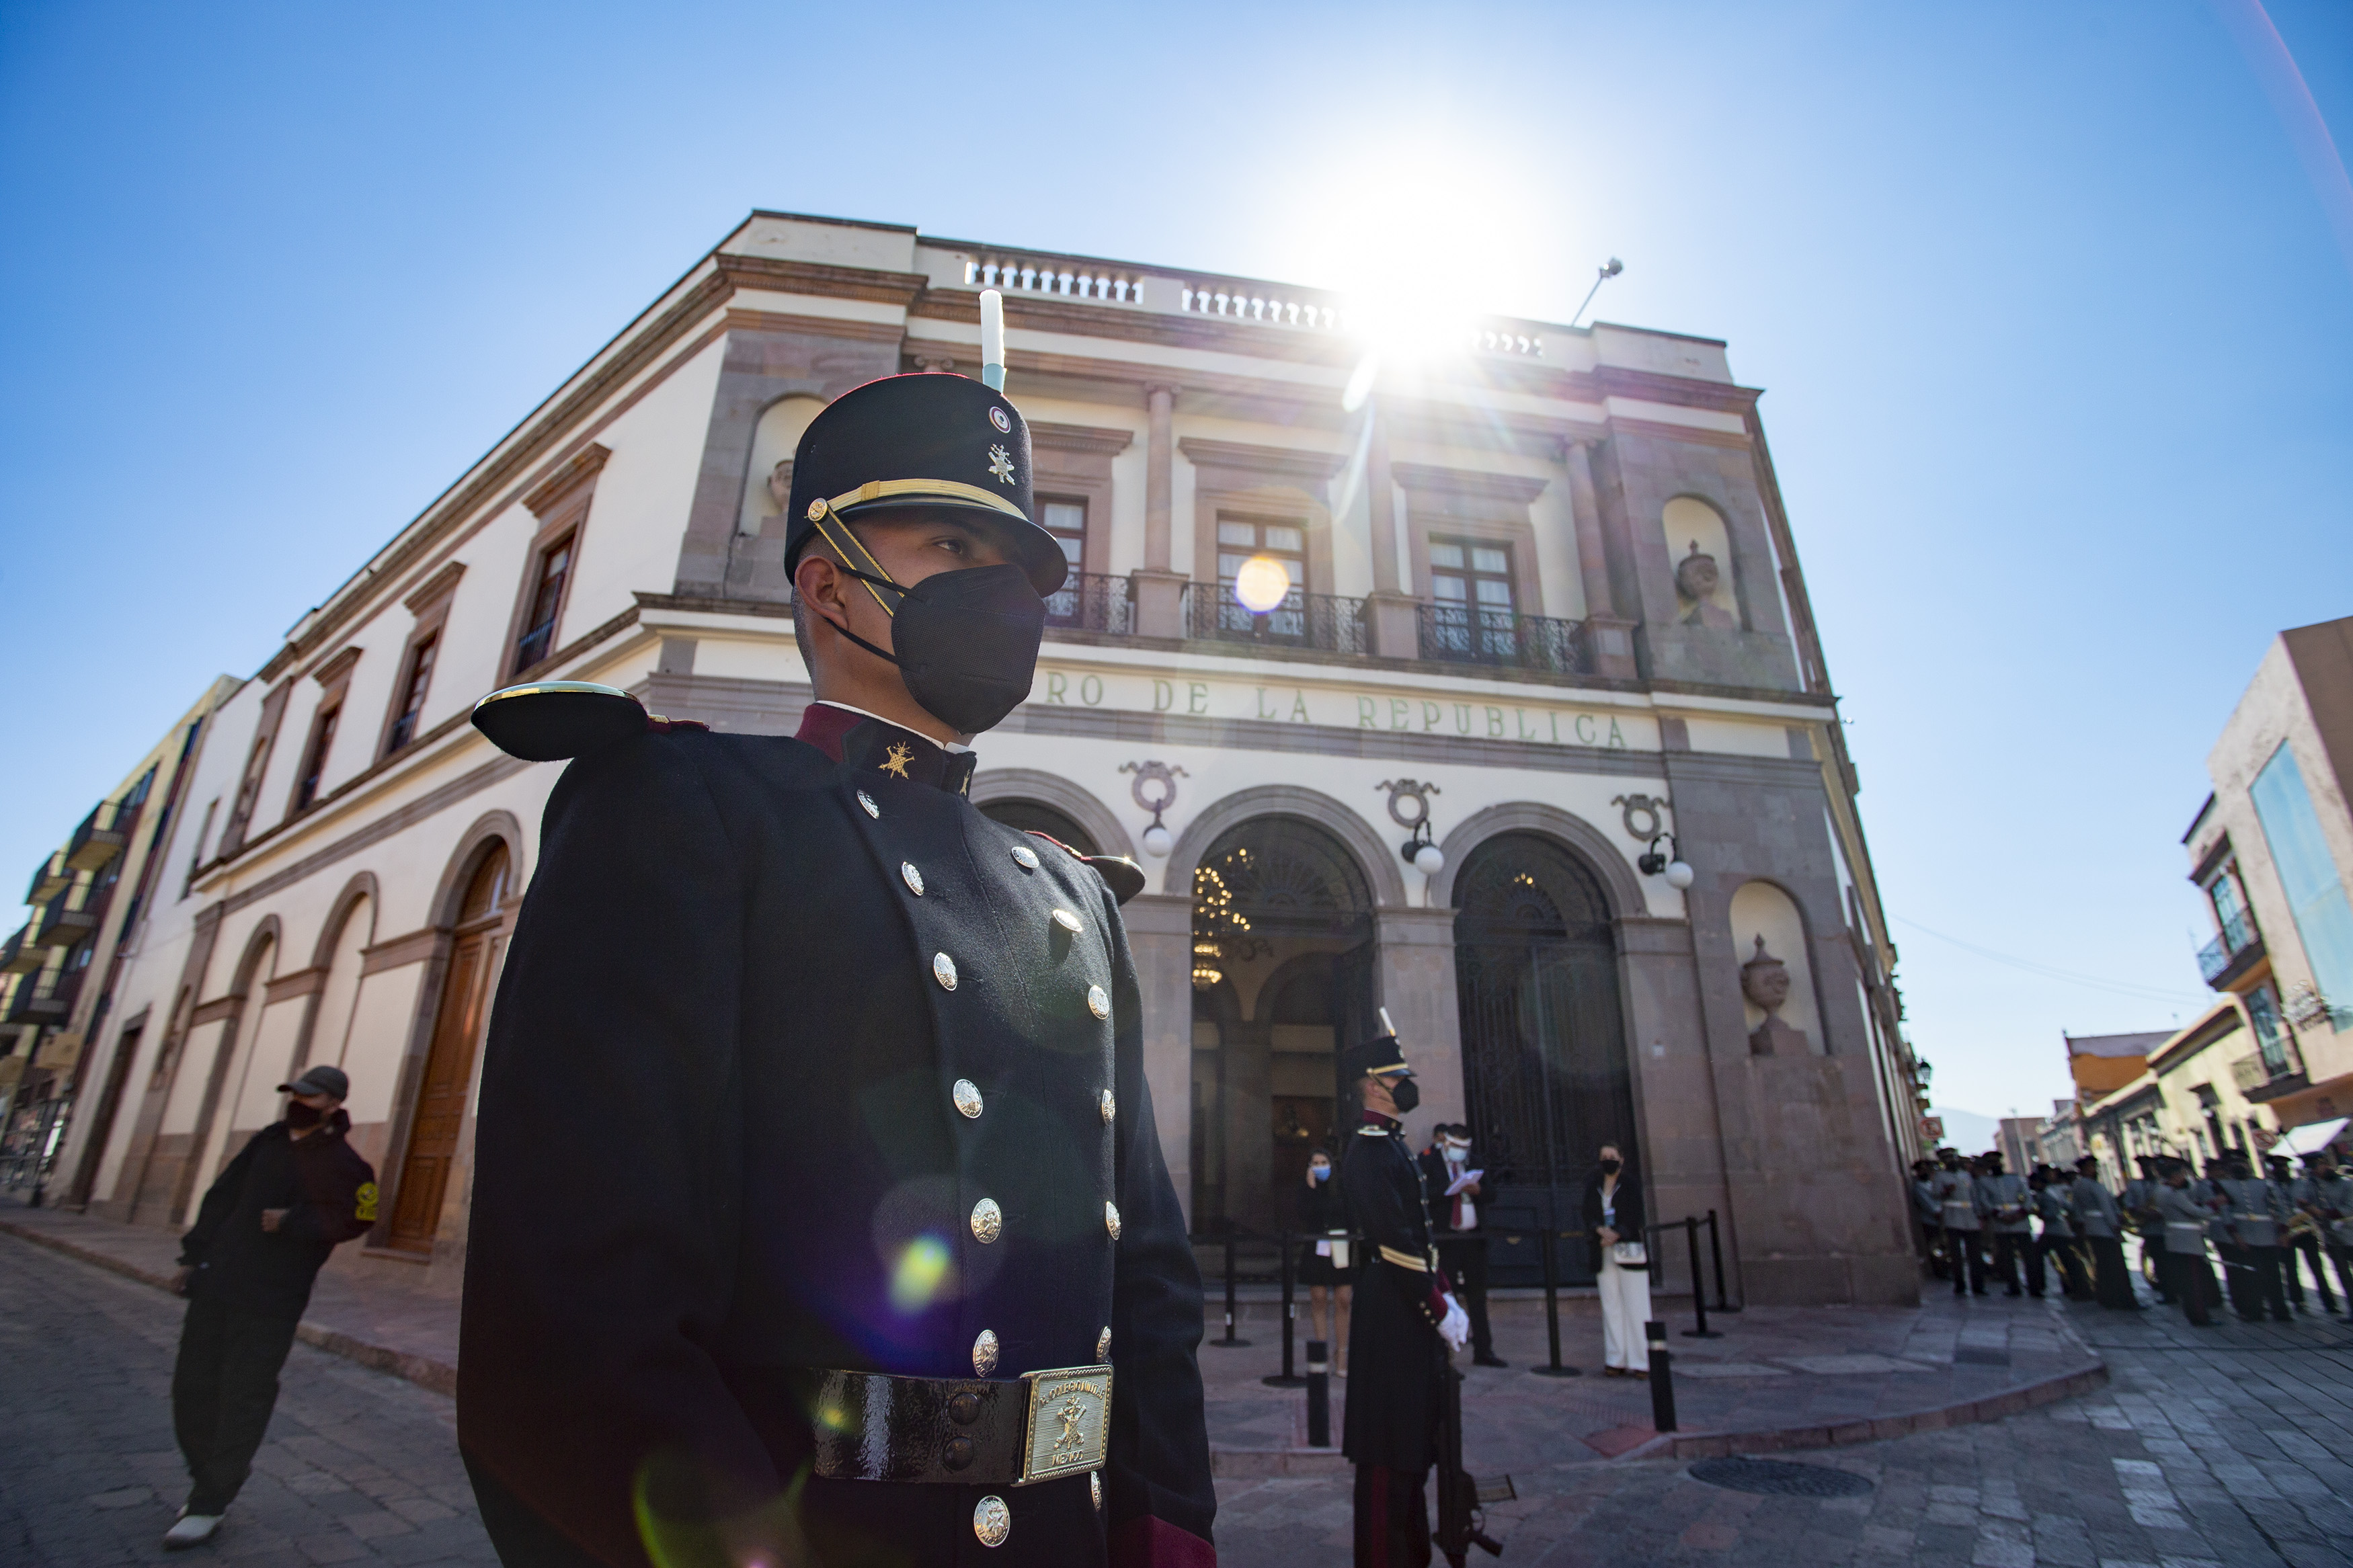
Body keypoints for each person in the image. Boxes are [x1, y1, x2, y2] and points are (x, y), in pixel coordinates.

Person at [458, 373, 1215, 1568]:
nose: (1004, 595)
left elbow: (1154, 1277)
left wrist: (1168, 1528)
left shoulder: (1075, 895)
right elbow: (579, 1324)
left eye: (1022, 569)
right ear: (828, 583)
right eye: (955, 544)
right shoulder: (682, 812)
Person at [162, 1065, 376, 1550]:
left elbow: (360, 1216)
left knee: (245, 1395)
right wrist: (193, 1256)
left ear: (333, 1105)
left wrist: (294, 1221)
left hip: (272, 1299)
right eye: (294, 1092)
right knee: (192, 1389)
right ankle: (205, 1478)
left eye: (309, 1095)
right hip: (218, 1285)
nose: (297, 1101)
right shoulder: (267, 1143)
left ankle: (210, 1500)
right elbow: (222, 1198)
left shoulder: (348, 1165)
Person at [1339, 1030, 1469, 1568]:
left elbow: (1420, 1240)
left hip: (1406, 1305)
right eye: (1399, 1078)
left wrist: (1443, 1296)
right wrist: (1437, 1306)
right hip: (1390, 1309)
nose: (1408, 1086)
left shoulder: (1392, 1144)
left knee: (1413, 1451)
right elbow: (1395, 1240)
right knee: (1388, 1458)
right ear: (1373, 1085)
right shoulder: (1369, 1150)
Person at [1419, 1124, 1505, 1368]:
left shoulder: (1475, 1162)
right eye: (1456, 1146)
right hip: (1447, 1239)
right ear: (1446, 1143)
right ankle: (1443, 1353)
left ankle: (1484, 1350)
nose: (1460, 1152)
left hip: (1472, 1238)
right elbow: (1423, 1194)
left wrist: (1477, 1189)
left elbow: (1491, 1193)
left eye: (1464, 1148)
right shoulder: (1430, 1162)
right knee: (1446, 1295)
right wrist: (1449, 1189)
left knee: (1477, 1295)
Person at [1585, 1143, 1650, 1377]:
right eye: (1604, 1156)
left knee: (1636, 1303)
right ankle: (1616, 1358)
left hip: (1627, 1248)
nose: (1608, 1160)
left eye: (1612, 1156)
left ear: (1621, 1159)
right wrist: (1600, 1230)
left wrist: (1618, 1233)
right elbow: (1588, 1213)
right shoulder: (1594, 1185)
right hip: (1603, 1249)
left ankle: (1641, 1360)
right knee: (1610, 1303)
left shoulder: (1630, 1185)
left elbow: (1636, 1214)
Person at [2217, 1153, 2292, 1323]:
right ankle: (2255, 1311)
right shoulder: (2224, 1186)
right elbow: (2226, 1212)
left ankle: (2280, 1311)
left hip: (2267, 1235)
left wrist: (2284, 1232)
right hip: (2244, 1236)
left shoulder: (2264, 1184)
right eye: (2236, 1164)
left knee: (2274, 1275)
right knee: (2249, 1277)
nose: (2240, 1167)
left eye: (2243, 1163)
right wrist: (2235, 1235)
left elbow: (2280, 1208)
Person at [1300, 1145, 1353, 1376]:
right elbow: (1306, 1216)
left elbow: (1349, 1213)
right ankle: (1321, 1351)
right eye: (1316, 1163)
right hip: (1317, 1246)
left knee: (1343, 1299)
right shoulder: (1306, 1188)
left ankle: (1342, 1352)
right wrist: (1311, 1188)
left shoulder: (1342, 1186)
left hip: (1341, 1246)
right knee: (1319, 1298)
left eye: (1324, 1163)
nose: (1320, 1167)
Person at [2151, 1157, 2221, 1327]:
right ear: (2175, 1177)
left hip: (2175, 1239)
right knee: (2194, 1282)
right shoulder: (2173, 1194)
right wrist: (2214, 1204)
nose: (2184, 1178)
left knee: (2187, 1280)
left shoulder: (2160, 1191)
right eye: (2182, 1175)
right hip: (2187, 1240)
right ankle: (2200, 1316)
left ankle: (2195, 1314)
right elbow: (2196, 1212)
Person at [2071, 1155, 2140, 1311]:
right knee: (2116, 1266)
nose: (2094, 1170)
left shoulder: (2077, 1186)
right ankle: (2124, 1299)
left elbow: (2077, 1210)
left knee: (2102, 1265)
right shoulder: (2096, 1186)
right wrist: (2115, 1225)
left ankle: (2106, 1297)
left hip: (2092, 1228)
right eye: (2091, 1167)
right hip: (2104, 1228)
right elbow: (2106, 1209)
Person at [2273, 1154, 2339, 1315]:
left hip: (2306, 1230)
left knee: (2317, 1268)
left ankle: (2329, 1303)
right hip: (2285, 1232)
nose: (2281, 1170)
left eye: (2283, 1167)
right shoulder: (2270, 1188)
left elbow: (2313, 1203)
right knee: (2290, 1268)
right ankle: (2298, 1302)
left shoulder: (2303, 1184)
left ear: (2288, 1169)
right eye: (2277, 1168)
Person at [1977, 1152, 2035, 1297]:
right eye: (1991, 1163)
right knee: (2007, 1258)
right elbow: (1984, 1201)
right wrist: (1999, 1215)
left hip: (2020, 1222)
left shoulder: (2015, 1179)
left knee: (2029, 1256)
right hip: (2001, 1224)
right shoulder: (1984, 1182)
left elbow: (2027, 1198)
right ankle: (2013, 1286)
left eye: (1997, 1161)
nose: (1995, 1164)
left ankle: (2035, 1286)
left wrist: (2020, 1213)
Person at [1932, 1148, 1987, 1296]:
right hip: (1952, 1218)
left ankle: (1978, 1285)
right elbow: (1936, 1194)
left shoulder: (1966, 1176)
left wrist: (1980, 1215)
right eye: (1947, 1158)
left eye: (1953, 1157)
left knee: (1975, 1254)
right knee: (1956, 1255)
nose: (1951, 1161)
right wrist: (1946, 1192)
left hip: (1970, 1218)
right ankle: (1960, 1285)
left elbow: (1974, 1197)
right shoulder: (1940, 1176)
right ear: (1943, 1162)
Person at [2030, 1168, 2085, 1301]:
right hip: (2062, 1230)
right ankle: (2074, 1287)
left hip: (2053, 1232)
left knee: (2039, 1255)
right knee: (2068, 1260)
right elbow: (2068, 1207)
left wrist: (2040, 1214)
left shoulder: (2045, 1194)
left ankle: (2039, 1285)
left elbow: (2051, 1214)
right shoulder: (2055, 1191)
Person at [2124, 1155, 2170, 1303]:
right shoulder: (2135, 1185)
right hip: (2148, 1228)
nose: (2146, 1169)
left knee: (2171, 1261)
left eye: (2149, 1166)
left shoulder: (2164, 1183)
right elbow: (2129, 1204)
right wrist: (2142, 1212)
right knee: (2158, 1261)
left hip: (2166, 1228)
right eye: (2143, 1167)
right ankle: (2166, 1291)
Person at [1910, 1158, 1948, 1280]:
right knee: (1935, 1247)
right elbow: (1928, 1205)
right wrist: (1938, 1212)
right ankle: (1939, 1271)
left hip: (1943, 1220)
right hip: (1930, 1221)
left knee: (1945, 1246)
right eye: (1921, 1170)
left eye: (1927, 1170)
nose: (1925, 1173)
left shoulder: (1933, 1184)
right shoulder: (1919, 1187)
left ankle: (1947, 1268)